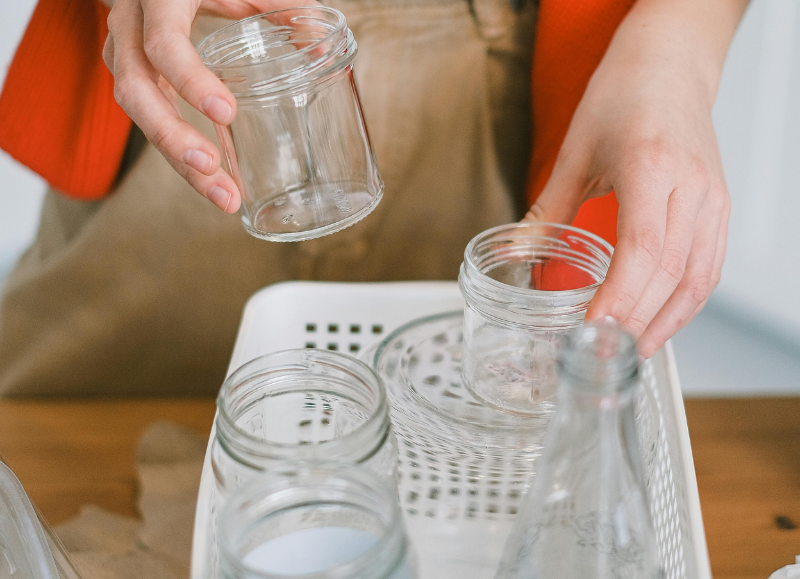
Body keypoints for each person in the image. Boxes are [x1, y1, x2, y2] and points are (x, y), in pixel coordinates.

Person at [0, 0, 748, 396]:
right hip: (184, 65)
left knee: (454, 428)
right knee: (59, 463)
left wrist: (678, 38)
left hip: (494, 83)